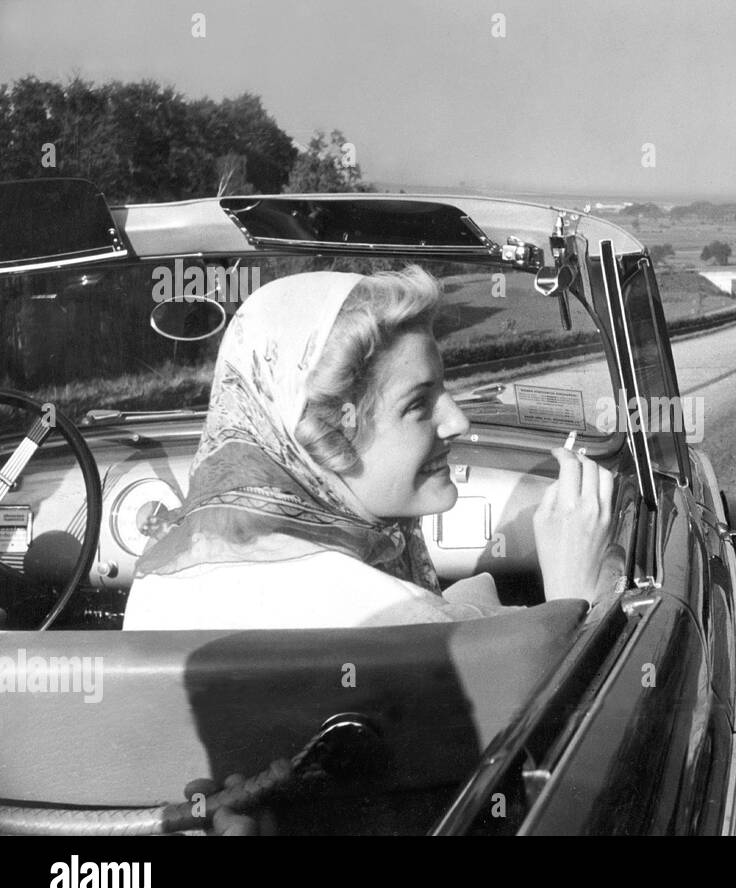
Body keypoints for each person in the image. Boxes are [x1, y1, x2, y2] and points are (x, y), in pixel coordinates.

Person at [123, 267, 613, 630]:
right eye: (419, 403)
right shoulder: (398, 621)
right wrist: (575, 597)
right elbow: (552, 725)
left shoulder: (161, 572)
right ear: (329, 432)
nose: (457, 420)